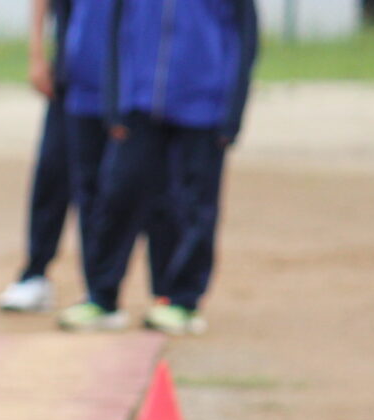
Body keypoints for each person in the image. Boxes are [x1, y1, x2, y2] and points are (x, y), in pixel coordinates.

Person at [57, 0, 258, 334]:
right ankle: (102, 297)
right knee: (119, 193)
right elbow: (117, 30)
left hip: (204, 106)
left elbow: (245, 37)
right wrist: (114, 103)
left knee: (196, 204)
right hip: (140, 102)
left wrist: (232, 112)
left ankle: (182, 300)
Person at [0, 0, 73, 313]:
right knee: (53, 174)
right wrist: (37, 54)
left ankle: (163, 290)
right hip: (73, 73)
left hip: (133, 79)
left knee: (129, 182)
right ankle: (35, 274)